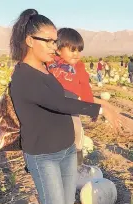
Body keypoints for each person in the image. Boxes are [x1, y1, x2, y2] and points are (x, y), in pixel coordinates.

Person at [9, 9, 121, 204]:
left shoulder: (48, 70)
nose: (54, 46)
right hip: (43, 156)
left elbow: (67, 95)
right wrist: (100, 108)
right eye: (48, 41)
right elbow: (58, 103)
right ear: (29, 41)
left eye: (55, 40)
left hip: (66, 150)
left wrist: (87, 97)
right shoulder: (23, 76)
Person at [47, 28, 121, 176]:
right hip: (51, 107)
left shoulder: (79, 67)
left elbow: (85, 88)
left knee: (77, 133)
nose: (76, 54)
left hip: (72, 106)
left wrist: (92, 109)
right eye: (72, 50)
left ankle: (78, 166)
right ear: (58, 49)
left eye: (79, 50)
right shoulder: (49, 63)